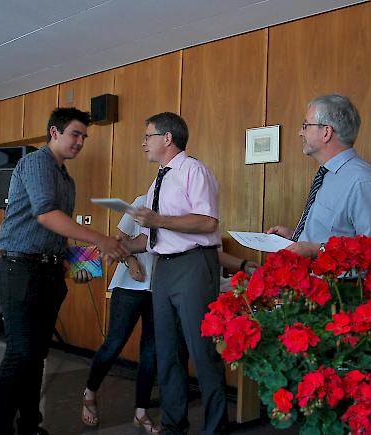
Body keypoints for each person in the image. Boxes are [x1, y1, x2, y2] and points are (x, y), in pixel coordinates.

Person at [0, 107, 129, 435]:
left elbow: (54, 237)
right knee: (20, 353)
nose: (80, 142)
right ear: (54, 132)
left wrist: (80, 264)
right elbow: (46, 216)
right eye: (75, 134)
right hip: (19, 269)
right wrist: (103, 240)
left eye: (84, 136)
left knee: (37, 355)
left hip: (48, 272)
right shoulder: (37, 162)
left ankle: (29, 426)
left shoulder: (66, 178)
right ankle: (0, 430)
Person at [123, 112, 228, 435]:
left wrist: (158, 221)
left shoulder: (194, 171)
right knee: (167, 351)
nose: (143, 143)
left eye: (148, 136)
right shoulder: (159, 179)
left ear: (167, 138)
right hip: (164, 267)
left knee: (202, 351)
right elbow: (153, 236)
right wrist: (123, 246)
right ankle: (173, 426)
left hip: (194, 265)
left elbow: (208, 222)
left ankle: (215, 428)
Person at [266, 94, 371, 264]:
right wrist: (295, 236)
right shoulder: (327, 174)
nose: (300, 133)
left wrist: (313, 250)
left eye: (305, 126)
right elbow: (334, 233)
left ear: (326, 132)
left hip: (337, 289)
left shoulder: (362, 182)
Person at [81, 195, 161, 433]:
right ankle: (90, 392)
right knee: (114, 343)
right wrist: (130, 260)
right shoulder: (143, 199)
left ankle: (141, 412)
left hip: (160, 288)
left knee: (151, 351)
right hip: (129, 286)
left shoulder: (177, 206)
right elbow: (121, 240)